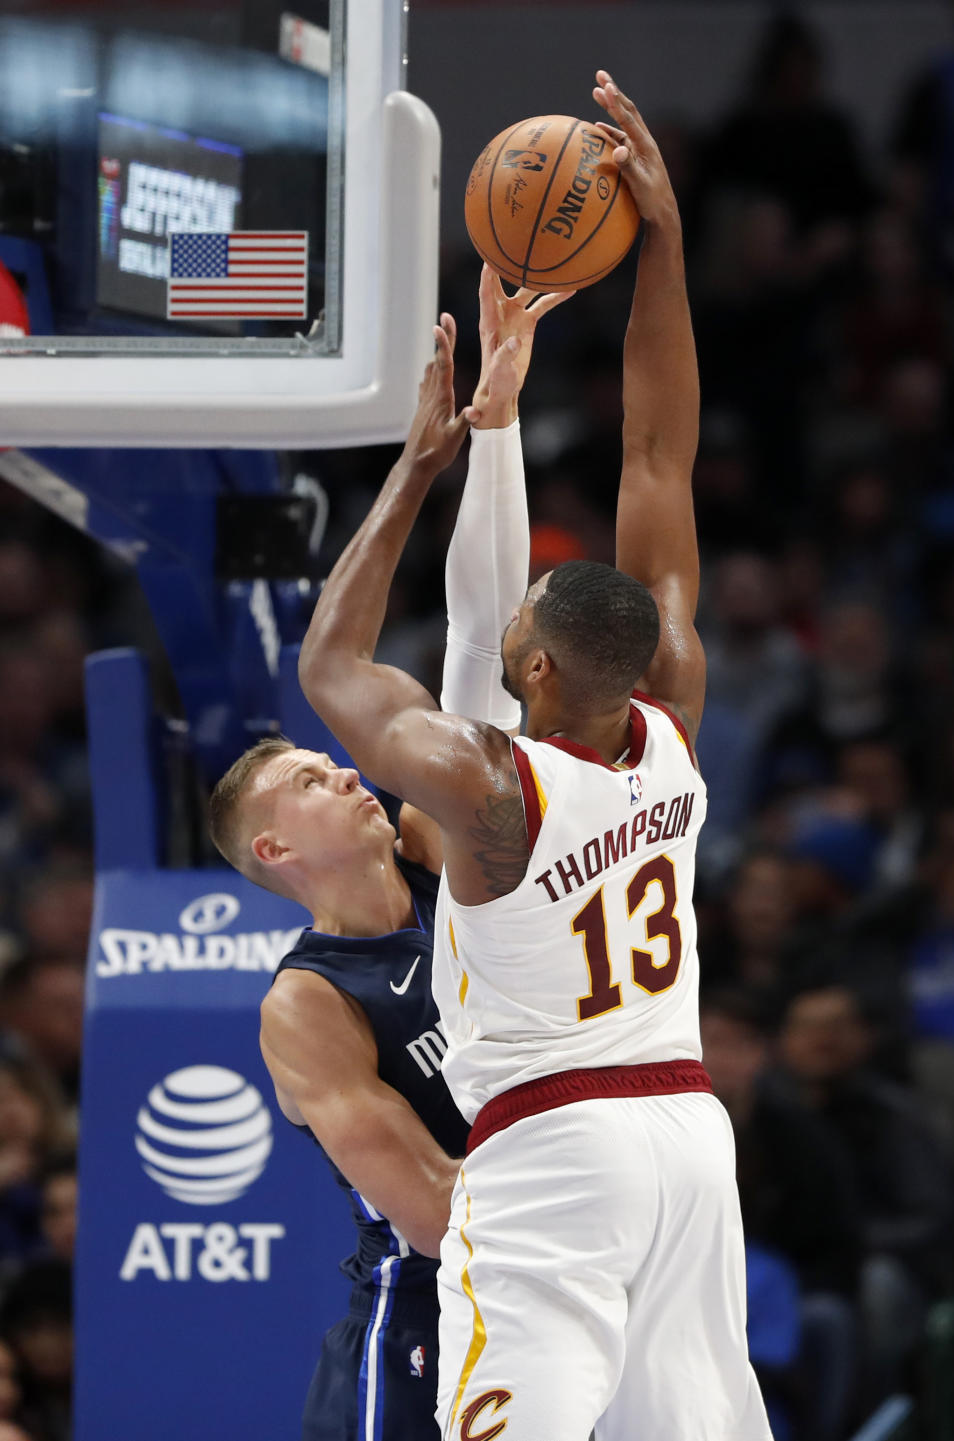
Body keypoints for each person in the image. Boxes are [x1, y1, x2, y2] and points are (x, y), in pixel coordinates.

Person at [298, 69, 771, 1441]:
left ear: (541, 669)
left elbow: (332, 670)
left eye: (519, 616)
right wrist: (664, 247)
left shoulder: (497, 793)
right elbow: (658, 459)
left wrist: (425, 464)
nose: (507, 616)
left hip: (555, 1155)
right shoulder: (669, 714)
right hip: (686, 1144)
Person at [207, 275, 568, 1441]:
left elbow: (479, 649)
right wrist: (600, 1173)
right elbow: (429, 1208)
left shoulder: (431, 854)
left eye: (338, 763)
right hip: (435, 1311)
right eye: (313, 779)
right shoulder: (307, 1003)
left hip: (557, 1274)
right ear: (273, 850)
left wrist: (474, 440)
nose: (349, 771)